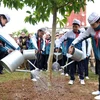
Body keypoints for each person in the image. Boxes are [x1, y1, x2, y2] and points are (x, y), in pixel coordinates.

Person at [68, 12, 100, 100]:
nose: (92, 27)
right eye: (91, 25)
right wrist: (73, 44)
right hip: (98, 56)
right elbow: (82, 36)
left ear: (99, 21)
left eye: (93, 24)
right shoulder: (91, 29)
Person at [56, 19, 86, 85]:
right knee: (71, 66)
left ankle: (81, 79)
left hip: (79, 53)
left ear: (79, 26)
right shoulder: (68, 33)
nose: (75, 28)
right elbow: (61, 40)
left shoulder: (82, 34)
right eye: (73, 26)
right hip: (71, 53)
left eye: (76, 26)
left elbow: (83, 45)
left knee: (80, 66)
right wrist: (57, 46)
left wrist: (84, 54)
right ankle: (72, 79)